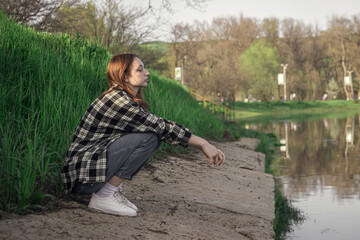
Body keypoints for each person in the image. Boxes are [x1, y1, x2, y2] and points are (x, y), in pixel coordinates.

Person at [61, 53, 225, 217]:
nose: (147, 72)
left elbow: (156, 124)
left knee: (151, 133)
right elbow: (161, 127)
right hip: (81, 178)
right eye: (140, 69)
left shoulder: (122, 97)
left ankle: (109, 191)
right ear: (125, 76)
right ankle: (104, 196)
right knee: (151, 136)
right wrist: (204, 144)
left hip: (86, 174)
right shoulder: (119, 101)